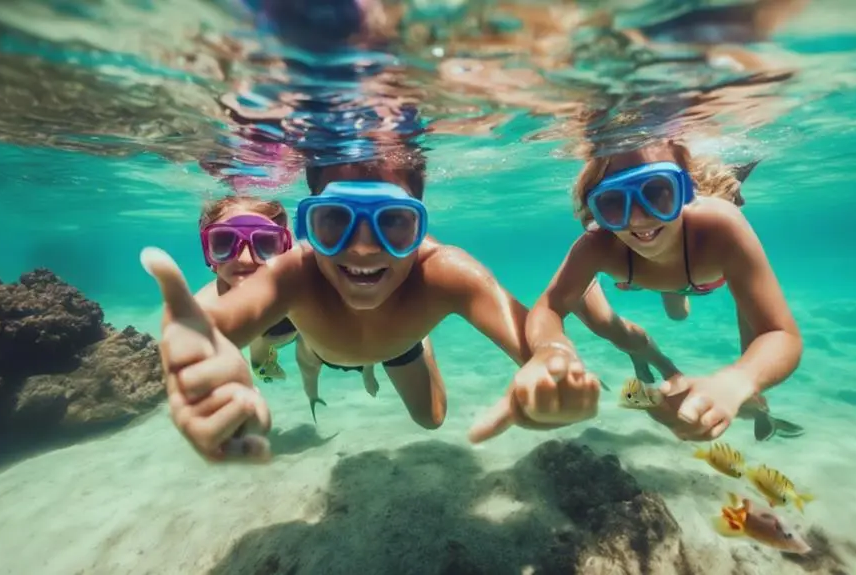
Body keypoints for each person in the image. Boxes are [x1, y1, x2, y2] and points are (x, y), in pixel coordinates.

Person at [142, 149, 601, 462]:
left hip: (398, 342)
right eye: (335, 221)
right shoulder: (295, 271)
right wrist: (191, 363)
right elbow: (215, 325)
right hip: (325, 346)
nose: (362, 249)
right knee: (310, 362)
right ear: (310, 224)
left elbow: (532, 335)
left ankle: (420, 344)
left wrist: (554, 359)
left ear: (420, 225)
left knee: (431, 420)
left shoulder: (444, 271)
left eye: (394, 223)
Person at [518, 139, 803, 442]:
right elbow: (549, 307)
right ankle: (667, 326)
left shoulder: (721, 226)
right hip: (657, 273)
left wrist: (735, 382)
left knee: (744, 375)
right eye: (614, 202)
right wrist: (551, 349)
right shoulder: (597, 245)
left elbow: (779, 334)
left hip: (702, 277)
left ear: (686, 190)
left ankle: (675, 293)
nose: (638, 219)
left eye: (657, 192)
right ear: (596, 207)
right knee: (611, 325)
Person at [193, 195, 381, 422]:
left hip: (300, 325)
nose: (244, 259)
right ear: (207, 251)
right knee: (260, 357)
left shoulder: (305, 279)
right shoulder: (205, 309)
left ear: (284, 250)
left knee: (309, 358)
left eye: (265, 244)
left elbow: (364, 320)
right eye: (224, 242)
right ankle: (277, 368)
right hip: (268, 335)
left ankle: (317, 393)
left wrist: (369, 366)